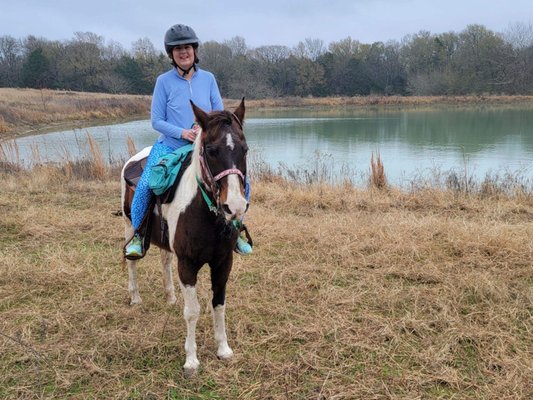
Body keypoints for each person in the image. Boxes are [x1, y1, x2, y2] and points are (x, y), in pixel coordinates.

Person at [125, 24, 252, 257]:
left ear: (194, 51)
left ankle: (236, 228)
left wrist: (205, 128)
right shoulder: (163, 81)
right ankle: (138, 235)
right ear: (171, 55)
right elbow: (156, 120)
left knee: (242, 180)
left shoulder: (209, 79)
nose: (183, 52)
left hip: (204, 146)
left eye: (187, 47)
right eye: (177, 49)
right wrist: (183, 132)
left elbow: (219, 112)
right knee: (145, 185)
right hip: (171, 145)